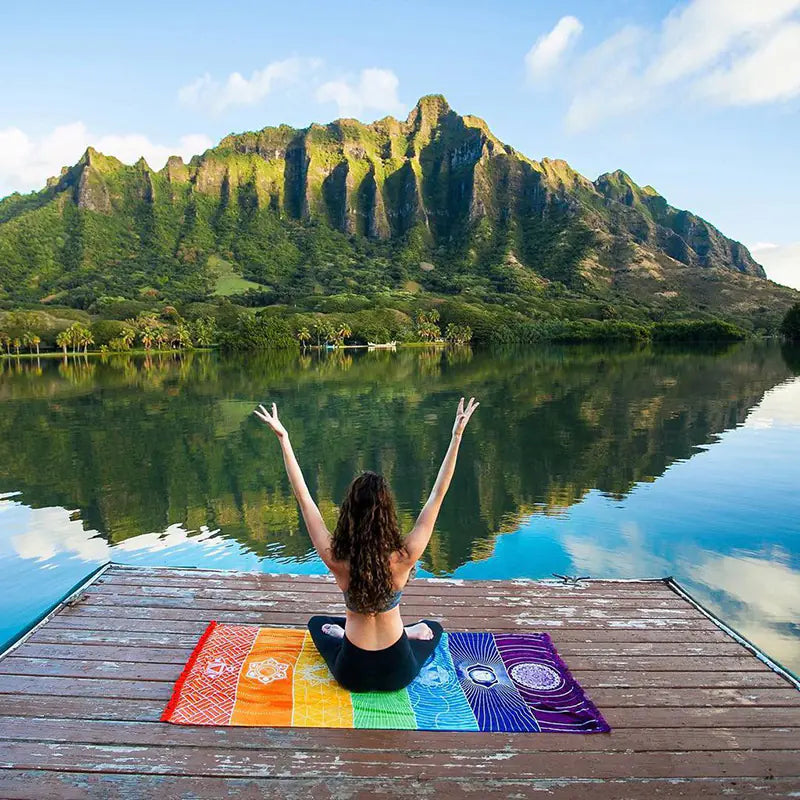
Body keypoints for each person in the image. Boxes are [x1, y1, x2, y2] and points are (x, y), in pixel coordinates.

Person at [253, 396, 479, 692]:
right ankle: (410, 632)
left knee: (317, 623)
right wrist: (456, 436)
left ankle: (349, 634)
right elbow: (438, 494)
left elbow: (304, 498)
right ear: (387, 513)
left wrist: (284, 439)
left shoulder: (337, 558)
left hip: (352, 673)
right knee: (434, 628)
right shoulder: (404, 556)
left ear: (349, 511)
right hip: (397, 671)